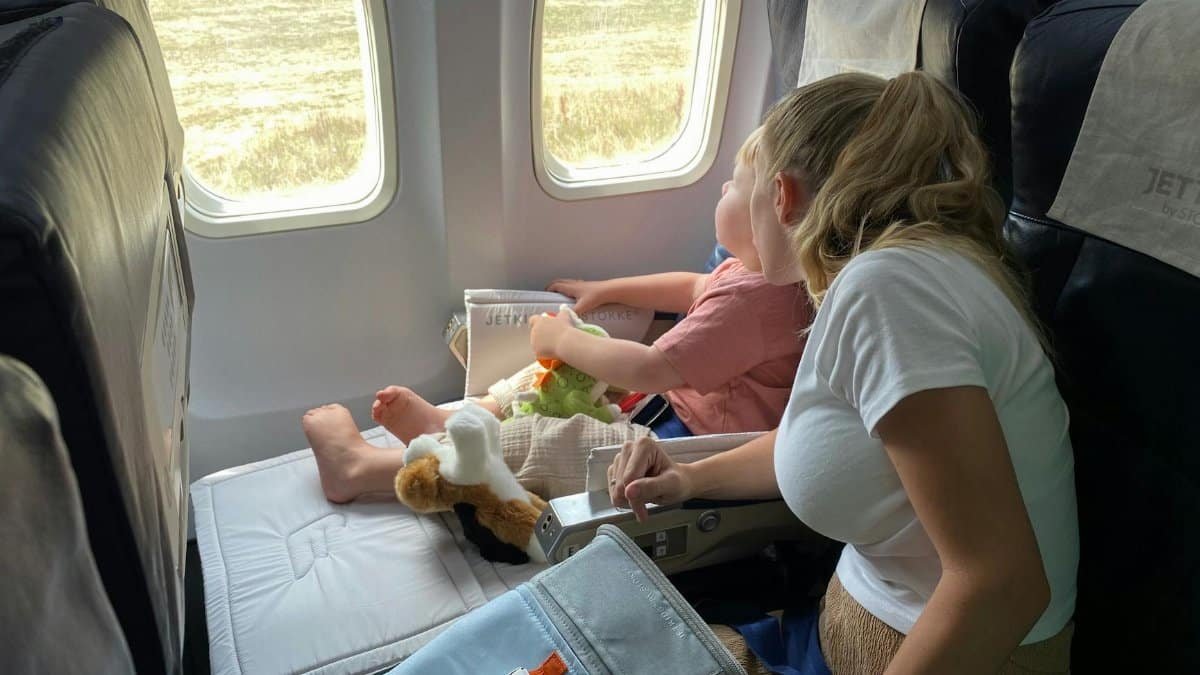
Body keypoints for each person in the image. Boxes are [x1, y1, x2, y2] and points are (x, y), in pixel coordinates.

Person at [606, 72, 1078, 674]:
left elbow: (1002, 584)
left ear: (782, 195)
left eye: (741, 183)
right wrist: (689, 478)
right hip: (839, 628)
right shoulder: (897, 274)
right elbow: (837, 443)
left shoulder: (890, 291)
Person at [301, 127, 814, 504]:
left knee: (552, 441)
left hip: (689, 447)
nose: (723, 190)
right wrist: (607, 289)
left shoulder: (760, 300)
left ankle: (362, 468)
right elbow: (695, 286)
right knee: (545, 379)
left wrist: (560, 339)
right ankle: (453, 421)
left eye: (735, 182)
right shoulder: (751, 274)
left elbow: (649, 368)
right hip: (667, 408)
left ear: (778, 202)